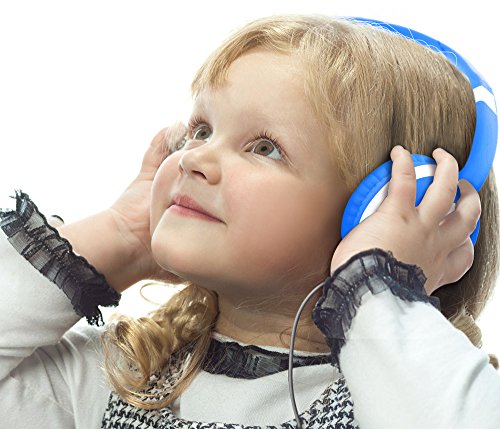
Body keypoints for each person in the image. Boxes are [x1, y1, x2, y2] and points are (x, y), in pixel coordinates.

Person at [1, 13, 499, 429]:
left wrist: (379, 285)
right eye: (201, 130)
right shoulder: (117, 378)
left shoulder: (409, 392)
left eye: (264, 147)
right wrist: (120, 235)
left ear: (382, 205)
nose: (193, 158)